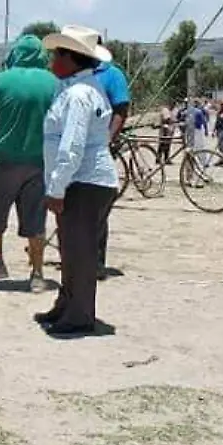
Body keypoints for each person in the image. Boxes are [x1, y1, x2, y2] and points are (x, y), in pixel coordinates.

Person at [37, 26, 120, 336]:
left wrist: (56, 188)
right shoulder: (77, 89)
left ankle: (79, 315)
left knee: (79, 252)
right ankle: (66, 306)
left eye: (56, 55)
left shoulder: (80, 95)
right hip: (83, 180)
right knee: (70, 250)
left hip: (84, 181)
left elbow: (71, 146)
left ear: (70, 59)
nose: (51, 62)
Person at [0, 34, 56, 290]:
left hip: (5, 158)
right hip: (39, 159)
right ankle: (37, 273)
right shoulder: (54, 82)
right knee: (36, 219)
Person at [91, 49, 130, 279]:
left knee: (96, 207)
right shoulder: (74, 74)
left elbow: (121, 109)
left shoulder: (112, 74)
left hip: (99, 150)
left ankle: (96, 261)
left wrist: (108, 139)